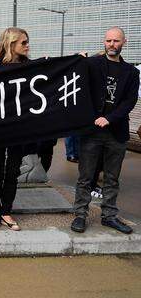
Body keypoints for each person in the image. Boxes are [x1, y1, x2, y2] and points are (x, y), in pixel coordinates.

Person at [71, 27, 140, 234]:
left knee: (112, 178)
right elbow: (73, 78)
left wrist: (109, 118)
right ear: (104, 42)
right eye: (109, 40)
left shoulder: (131, 72)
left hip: (117, 132)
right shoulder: (92, 64)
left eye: (116, 41)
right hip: (92, 132)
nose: (112, 44)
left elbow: (129, 101)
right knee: (85, 177)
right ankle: (80, 215)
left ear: (124, 42)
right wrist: (77, 59)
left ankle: (109, 216)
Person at [0, 27, 31, 231]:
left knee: (13, 171)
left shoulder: (30, 67)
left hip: (20, 128)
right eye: (23, 42)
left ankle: (6, 211)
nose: (27, 45)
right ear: (11, 43)